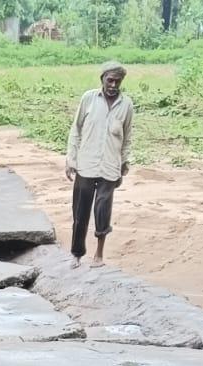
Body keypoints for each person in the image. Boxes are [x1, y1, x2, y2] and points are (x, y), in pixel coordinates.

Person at [64, 61, 134, 269]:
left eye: (117, 81)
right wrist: (71, 159)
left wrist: (124, 163)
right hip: (86, 164)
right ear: (102, 79)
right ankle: (76, 254)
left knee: (103, 210)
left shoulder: (126, 104)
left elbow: (127, 137)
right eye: (109, 80)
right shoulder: (88, 99)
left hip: (110, 167)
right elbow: (75, 130)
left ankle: (99, 254)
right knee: (80, 211)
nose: (113, 84)